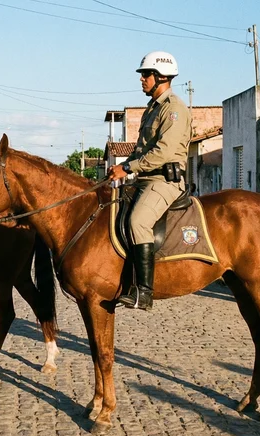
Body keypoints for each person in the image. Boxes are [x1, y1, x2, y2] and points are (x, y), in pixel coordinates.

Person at [107, 51, 191, 311]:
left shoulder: (174, 109)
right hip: (144, 179)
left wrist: (128, 167)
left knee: (138, 221)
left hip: (164, 180)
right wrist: (121, 167)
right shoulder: (151, 109)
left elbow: (162, 153)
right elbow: (140, 150)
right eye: (143, 75)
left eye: (146, 74)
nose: (142, 79)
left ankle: (144, 291)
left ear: (162, 77)